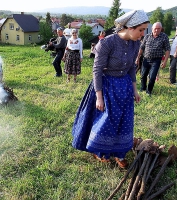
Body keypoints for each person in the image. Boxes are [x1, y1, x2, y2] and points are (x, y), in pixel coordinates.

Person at [71, 10, 149, 168]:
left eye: (144, 30)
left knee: (124, 122)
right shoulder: (106, 43)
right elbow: (97, 70)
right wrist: (99, 97)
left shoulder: (135, 44)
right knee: (107, 122)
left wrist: (134, 90)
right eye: (141, 30)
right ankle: (100, 151)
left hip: (125, 88)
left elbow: (132, 68)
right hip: (106, 88)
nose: (142, 34)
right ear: (129, 27)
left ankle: (119, 153)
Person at [136, 22, 170, 96]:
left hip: (156, 60)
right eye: (155, 29)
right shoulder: (147, 36)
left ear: (161, 29)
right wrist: (138, 57)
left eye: (159, 29)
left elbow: (167, 50)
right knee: (143, 75)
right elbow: (142, 48)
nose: (157, 30)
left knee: (152, 76)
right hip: (146, 59)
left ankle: (149, 91)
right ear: (152, 29)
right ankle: (143, 88)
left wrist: (165, 61)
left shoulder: (164, 37)